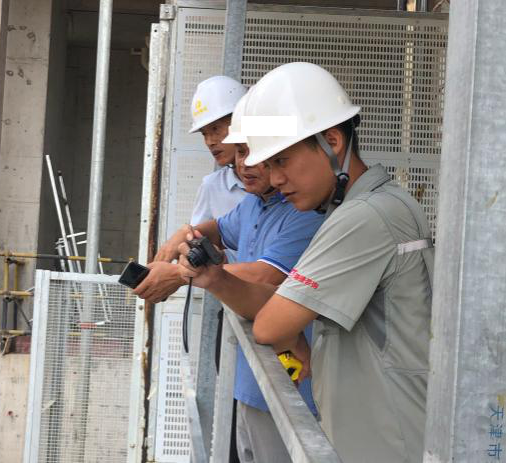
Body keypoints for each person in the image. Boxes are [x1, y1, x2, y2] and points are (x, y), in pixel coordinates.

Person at [177, 62, 433, 463]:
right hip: (380, 433)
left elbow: (271, 324)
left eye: (281, 160)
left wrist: (289, 333)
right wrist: (214, 278)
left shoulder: (363, 217)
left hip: (389, 440)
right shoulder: (371, 206)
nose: (273, 177)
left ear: (331, 141)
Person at [136, 92, 324, 463]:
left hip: (292, 389)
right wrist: (183, 234)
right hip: (252, 380)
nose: (245, 165)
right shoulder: (256, 203)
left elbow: (265, 277)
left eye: (257, 153)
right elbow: (219, 229)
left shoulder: (304, 211)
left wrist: (179, 274)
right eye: (238, 153)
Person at [188, 75, 248, 229]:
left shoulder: (280, 182)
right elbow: (198, 240)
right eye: (204, 133)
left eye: (215, 129)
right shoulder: (211, 186)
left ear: (241, 122)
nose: (209, 141)